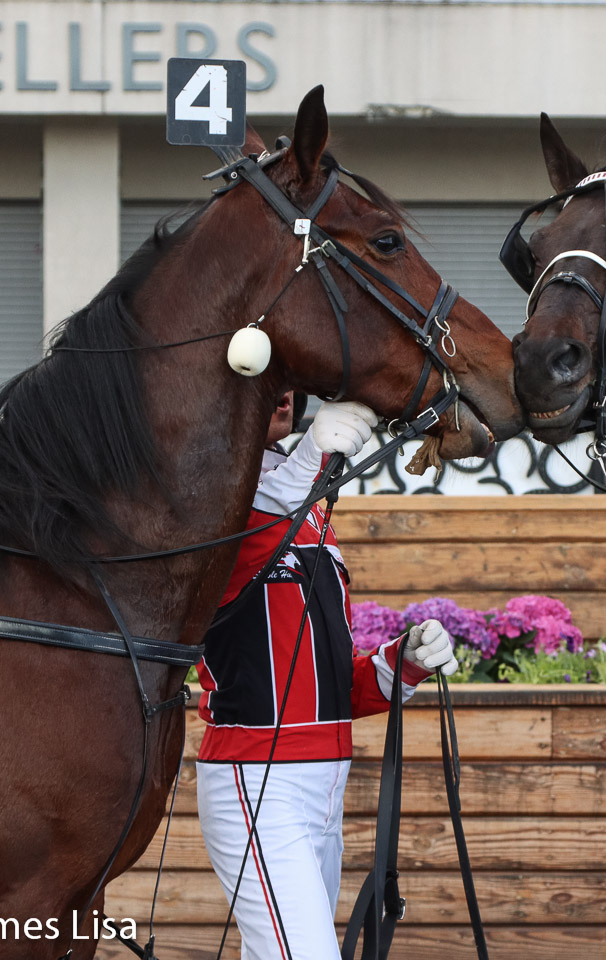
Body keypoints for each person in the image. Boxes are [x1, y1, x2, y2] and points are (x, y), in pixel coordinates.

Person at [195, 392, 458, 960]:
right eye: (266, 377)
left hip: (325, 788)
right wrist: (312, 453)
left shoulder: (307, 505)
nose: (284, 390)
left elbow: (330, 686)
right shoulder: (212, 493)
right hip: (257, 782)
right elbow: (249, 530)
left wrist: (404, 659)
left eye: (291, 378)